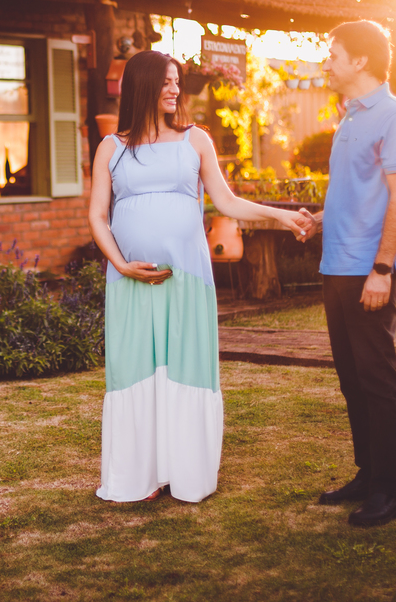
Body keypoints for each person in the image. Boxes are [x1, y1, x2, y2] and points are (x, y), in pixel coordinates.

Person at [88, 50, 310, 503]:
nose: (175, 90)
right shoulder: (110, 147)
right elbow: (96, 217)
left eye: (177, 82)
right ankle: (140, 477)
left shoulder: (195, 140)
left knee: (185, 370)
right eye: (166, 82)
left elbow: (227, 203)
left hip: (186, 281)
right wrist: (120, 263)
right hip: (129, 283)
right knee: (135, 372)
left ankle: (185, 474)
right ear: (142, 86)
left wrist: (282, 217)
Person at [300, 20, 396, 527]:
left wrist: (382, 270)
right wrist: (319, 220)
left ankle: (389, 492)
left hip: (369, 270)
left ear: (360, 61)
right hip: (337, 265)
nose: (326, 61)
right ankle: (368, 474)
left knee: (376, 380)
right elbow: (357, 192)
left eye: (333, 53)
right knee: (352, 380)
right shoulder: (350, 116)